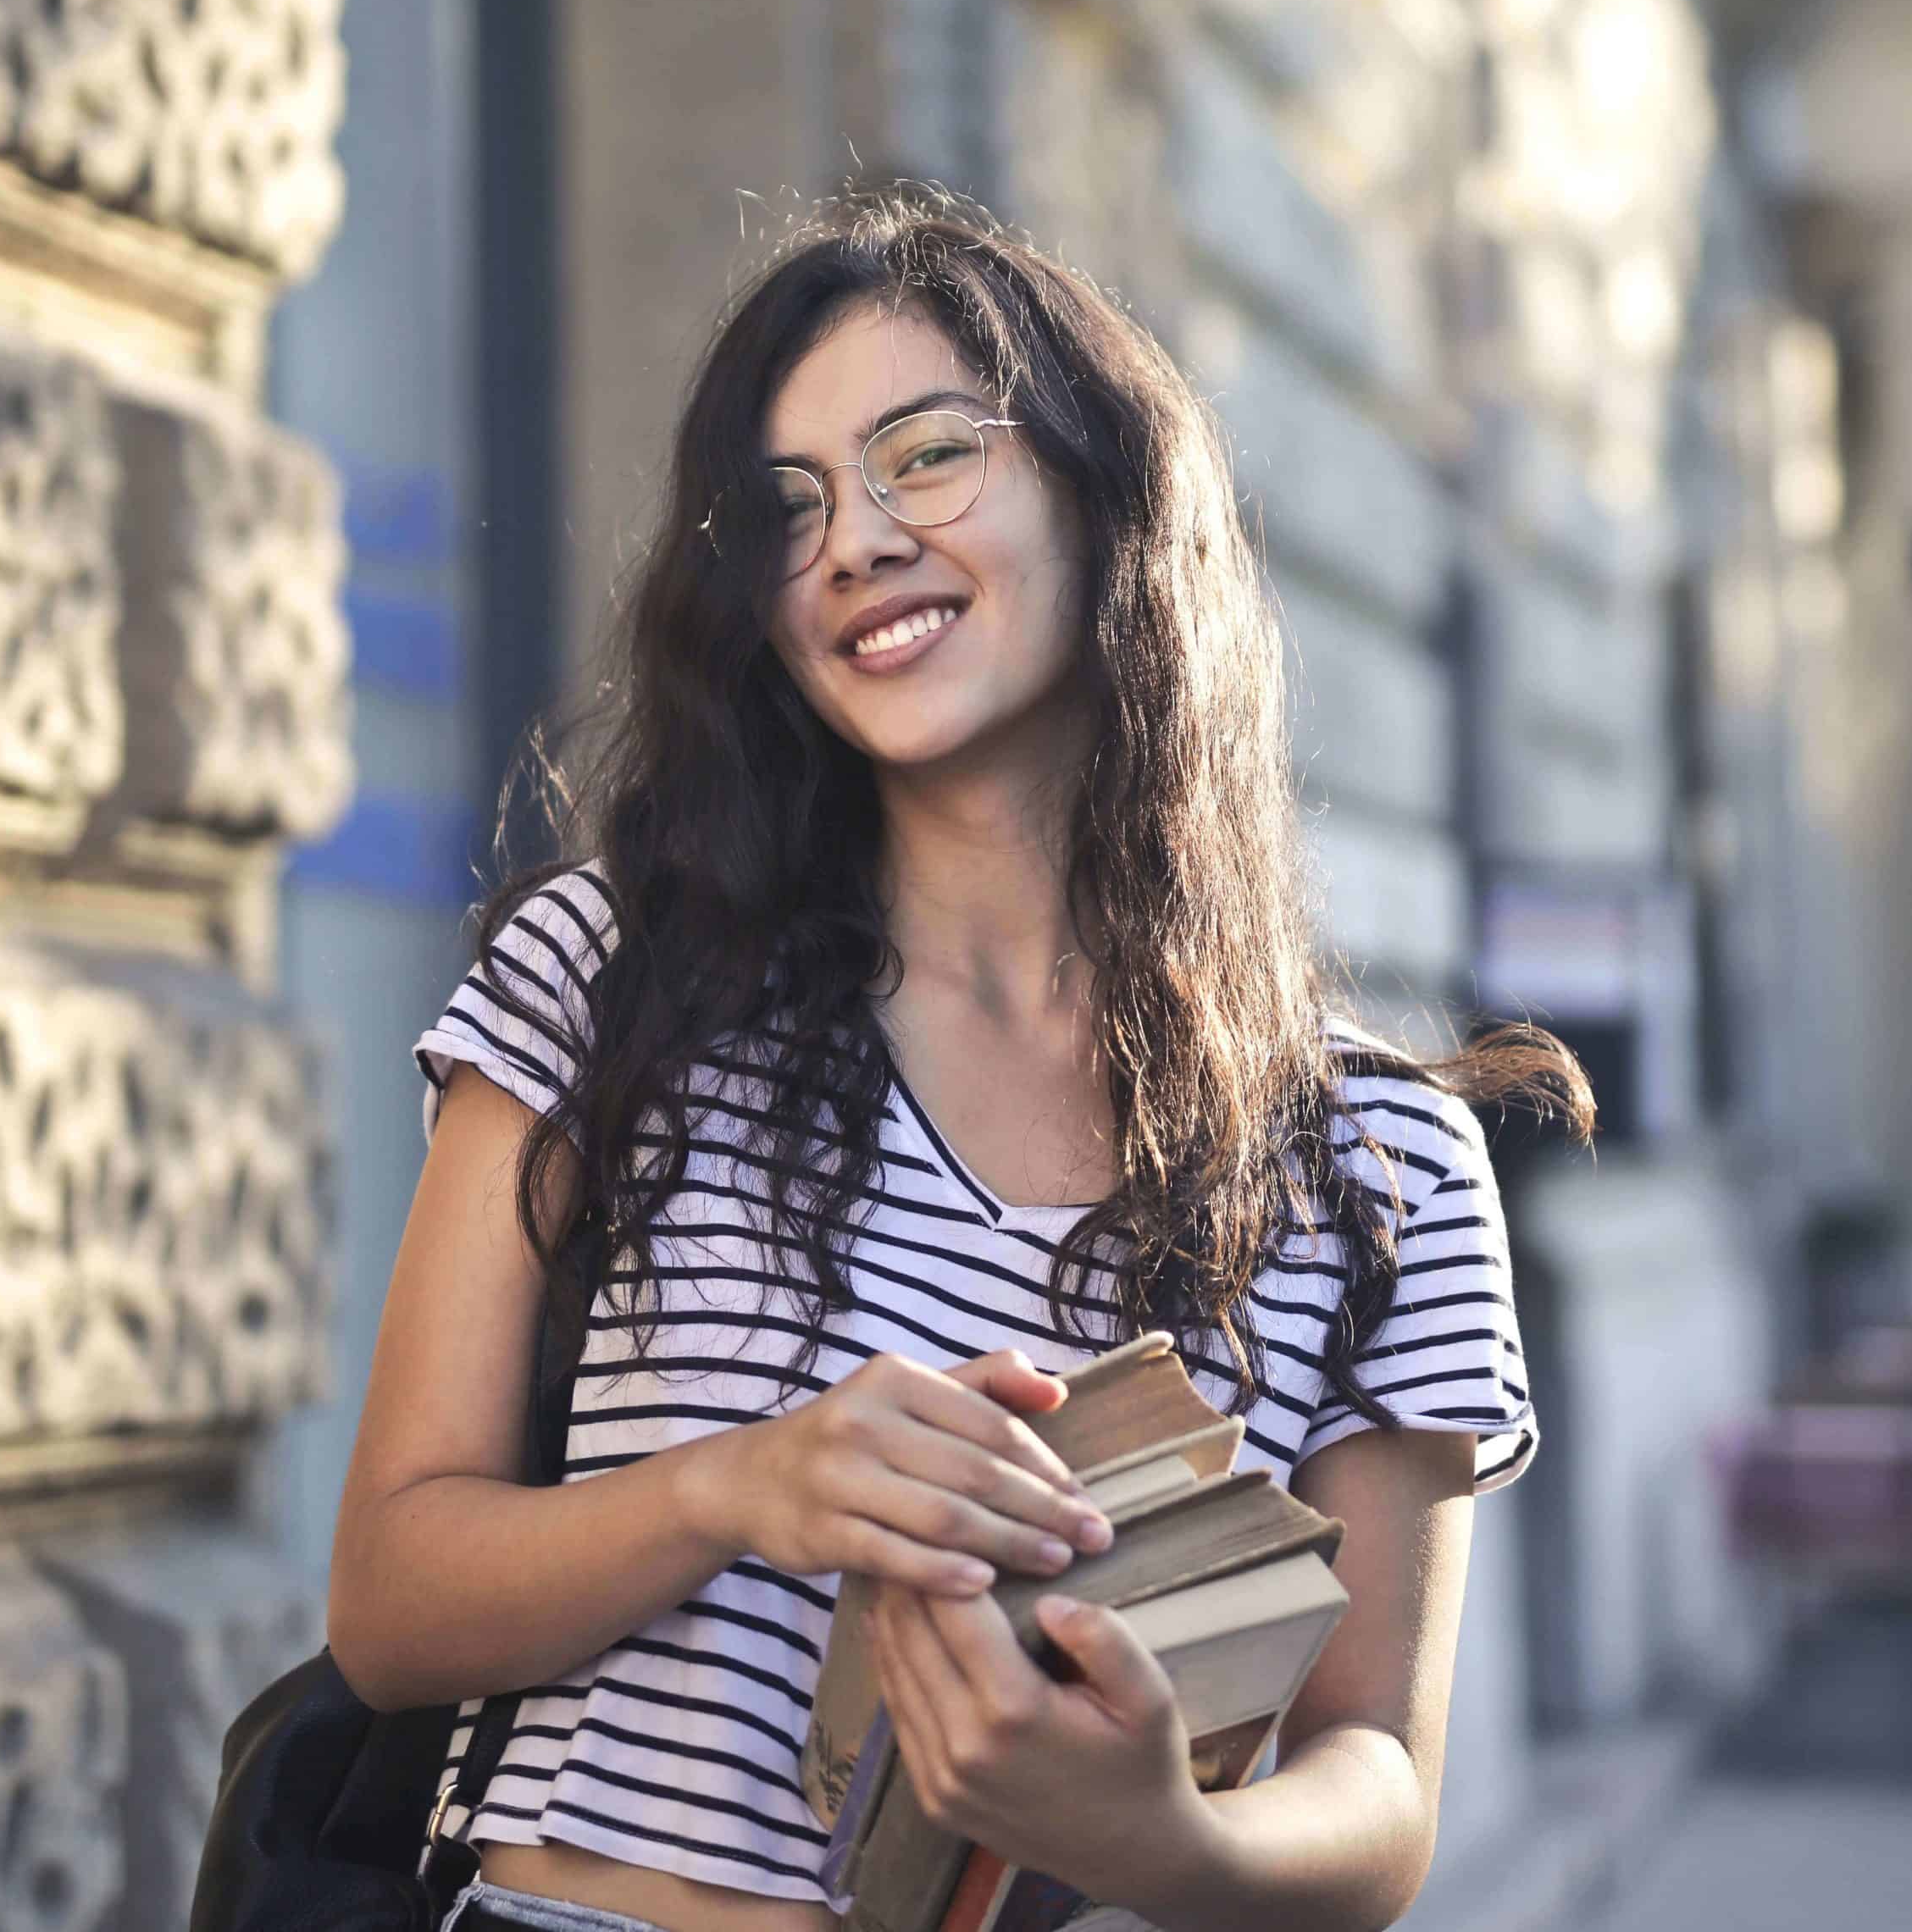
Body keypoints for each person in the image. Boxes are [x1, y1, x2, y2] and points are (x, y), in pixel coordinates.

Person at [326, 185, 1593, 1932]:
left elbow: (1369, 1778)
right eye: (787, 508)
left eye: (925, 455)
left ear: (1101, 489)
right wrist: (740, 1484)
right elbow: (390, 1597)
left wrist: (1157, 1827)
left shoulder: (1379, 1163)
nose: (848, 540)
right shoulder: (610, 974)